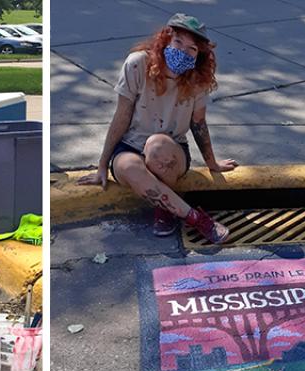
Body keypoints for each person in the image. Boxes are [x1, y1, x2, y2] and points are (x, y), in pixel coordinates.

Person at [77, 13, 238, 242]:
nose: (183, 52)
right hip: (130, 145)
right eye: (178, 42)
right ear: (166, 39)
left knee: (157, 145)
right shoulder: (137, 64)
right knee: (130, 165)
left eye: (192, 49)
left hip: (172, 147)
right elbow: (121, 115)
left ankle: (166, 209)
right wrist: (102, 164)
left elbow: (198, 123)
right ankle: (194, 218)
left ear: (199, 54)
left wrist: (212, 163)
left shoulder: (197, 79)